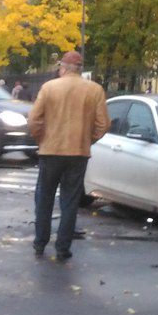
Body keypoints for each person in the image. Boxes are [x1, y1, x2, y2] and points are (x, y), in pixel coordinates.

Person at [27, 51, 108, 261]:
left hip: (50, 151)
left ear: (63, 68)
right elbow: (104, 124)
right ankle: (63, 248)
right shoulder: (95, 90)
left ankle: (40, 243)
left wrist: (41, 140)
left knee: (44, 198)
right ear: (80, 69)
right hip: (78, 153)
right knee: (70, 201)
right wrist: (87, 140)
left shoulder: (49, 88)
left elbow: (34, 120)